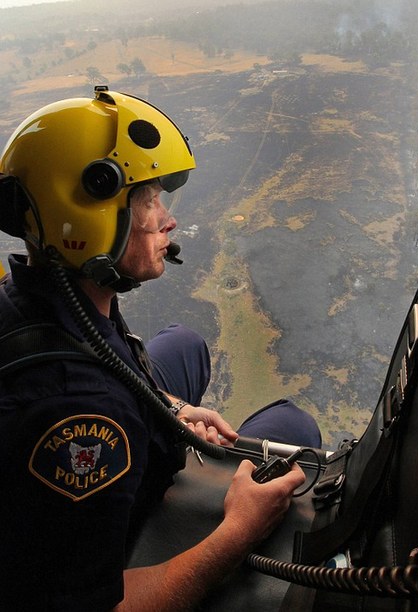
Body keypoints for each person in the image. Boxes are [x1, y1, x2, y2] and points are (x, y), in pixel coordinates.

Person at [0, 87, 311, 611]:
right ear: (84, 216)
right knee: (293, 428)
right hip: (94, 564)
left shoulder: (37, 292)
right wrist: (238, 530)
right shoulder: (82, 417)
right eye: (147, 200)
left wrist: (169, 407)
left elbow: (100, 356)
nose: (168, 219)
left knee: (185, 345)